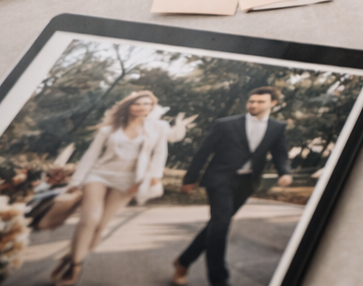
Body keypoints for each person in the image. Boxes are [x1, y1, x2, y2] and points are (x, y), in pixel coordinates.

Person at [172, 87, 292, 286]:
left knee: (217, 225)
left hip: (246, 183)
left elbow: (280, 153)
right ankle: (219, 279)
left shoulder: (277, 127)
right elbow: (204, 151)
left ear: (273, 104)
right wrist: (190, 179)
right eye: (251, 101)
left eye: (260, 102)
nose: (254, 105)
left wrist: (285, 172)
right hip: (220, 179)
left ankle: (183, 261)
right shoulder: (225, 124)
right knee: (221, 226)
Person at [52, 90, 172, 285]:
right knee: (89, 220)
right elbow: (91, 155)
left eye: (148, 104)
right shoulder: (109, 129)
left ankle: (71, 255)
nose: (143, 106)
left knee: (100, 226)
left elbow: (160, 153)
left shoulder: (157, 128)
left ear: (152, 108)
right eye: (138, 103)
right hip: (99, 175)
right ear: (128, 105)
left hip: (128, 181)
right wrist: (76, 181)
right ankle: (75, 265)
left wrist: (155, 177)